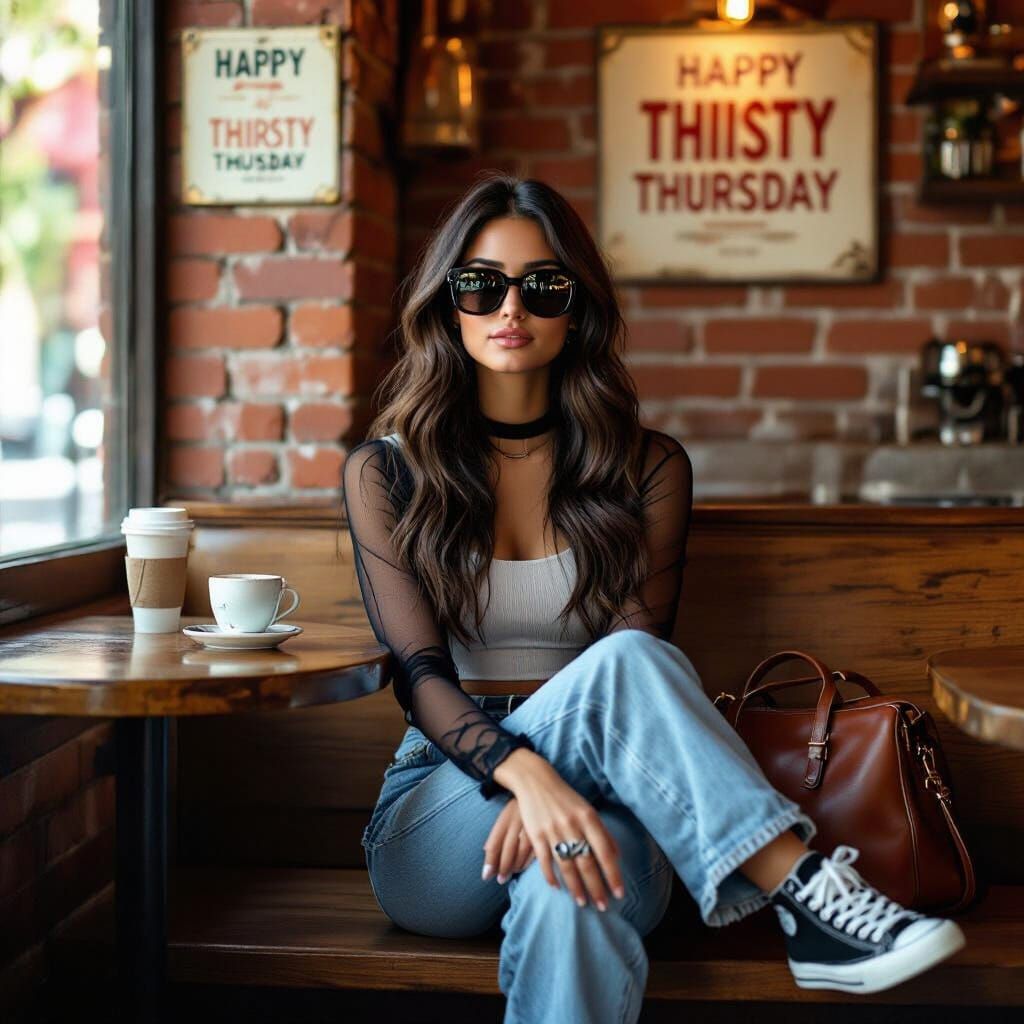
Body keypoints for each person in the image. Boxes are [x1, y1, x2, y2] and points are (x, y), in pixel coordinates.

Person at [341, 173, 966, 1023]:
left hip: (611, 802)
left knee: (578, 888)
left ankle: (810, 909)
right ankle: (809, 896)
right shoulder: (387, 473)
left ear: (577, 307)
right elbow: (418, 677)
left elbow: (630, 673)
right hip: (440, 816)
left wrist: (555, 796)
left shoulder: (646, 469)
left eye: (542, 287)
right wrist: (528, 777)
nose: (509, 310)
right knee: (628, 671)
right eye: (481, 285)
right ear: (447, 304)